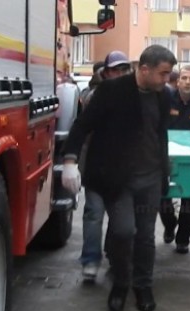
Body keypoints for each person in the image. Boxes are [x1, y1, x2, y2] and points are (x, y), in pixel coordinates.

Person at [61, 45, 177, 311]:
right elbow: (82, 125)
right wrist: (69, 161)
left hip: (151, 176)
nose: (166, 79)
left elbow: (160, 134)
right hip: (118, 178)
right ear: (144, 69)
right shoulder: (112, 91)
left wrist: (164, 170)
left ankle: (143, 286)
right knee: (124, 231)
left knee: (146, 236)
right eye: (162, 73)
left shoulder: (163, 96)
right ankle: (121, 284)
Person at [77, 50, 132, 282]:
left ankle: (113, 257)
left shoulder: (136, 98)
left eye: (123, 70)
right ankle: (90, 260)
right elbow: (82, 131)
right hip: (96, 167)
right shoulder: (95, 97)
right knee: (94, 214)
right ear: (105, 73)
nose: (118, 74)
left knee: (119, 220)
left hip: (124, 170)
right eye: (114, 70)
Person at [159, 64, 190, 254]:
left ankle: (183, 239)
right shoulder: (166, 99)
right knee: (163, 197)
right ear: (177, 81)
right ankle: (170, 225)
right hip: (166, 157)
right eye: (184, 78)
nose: (187, 82)